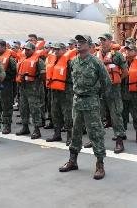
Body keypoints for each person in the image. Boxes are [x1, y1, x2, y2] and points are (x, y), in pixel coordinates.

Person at [59, 34, 109, 180]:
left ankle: (100, 164)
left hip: (91, 102)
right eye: (77, 42)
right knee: (75, 132)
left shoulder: (96, 62)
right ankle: (72, 161)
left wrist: (96, 95)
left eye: (82, 42)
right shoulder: (73, 62)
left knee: (95, 133)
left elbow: (106, 82)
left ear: (89, 45)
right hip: (77, 101)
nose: (78, 44)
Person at [96, 33, 127, 153]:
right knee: (98, 115)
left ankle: (119, 141)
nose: (102, 42)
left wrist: (115, 81)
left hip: (113, 89)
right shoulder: (96, 56)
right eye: (101, 40)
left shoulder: (117, 55)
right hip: (100, 90)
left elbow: (125, 72)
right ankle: (95, 139)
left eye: (104, 40)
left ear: (110, 41)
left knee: (116, 115)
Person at [15, 42, 46, 139]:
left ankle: (37, 130)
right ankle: (25, 127)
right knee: (23, 108)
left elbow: (43, 75)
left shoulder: (38, 60)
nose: (26, 51)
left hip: (33, 88)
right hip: (23, 87)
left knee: (34, 109)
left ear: (33, 50)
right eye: (25, 49)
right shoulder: (23, 59)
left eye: (28, 49)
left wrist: (36, 80)